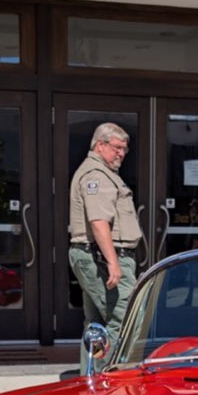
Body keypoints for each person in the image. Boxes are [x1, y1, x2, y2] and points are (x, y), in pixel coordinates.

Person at [68, 122, 142, 354]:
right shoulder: (97, 176)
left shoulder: (104, 173)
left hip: (97, 256)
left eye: (125, 149)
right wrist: (113, 263)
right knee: (126, 320)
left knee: (96, 325)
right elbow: (99, 222)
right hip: (101, 258)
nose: (121, 153)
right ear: (100, 145)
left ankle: (90, 381)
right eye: (117, 147)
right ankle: (110, 383)